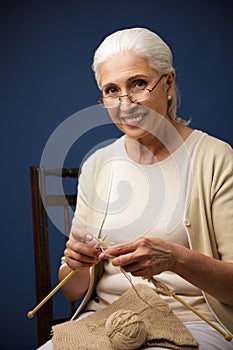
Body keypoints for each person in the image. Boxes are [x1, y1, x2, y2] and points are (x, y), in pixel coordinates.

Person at [38, 27, 233, 350]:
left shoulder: (216, 158)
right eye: (111, 90)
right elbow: (74, 292)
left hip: (197, 323)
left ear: (168, 84)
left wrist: (175, 259)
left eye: (138, 84)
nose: (125, 103)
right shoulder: (98, 164)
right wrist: (76, 265)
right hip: (104, 321)